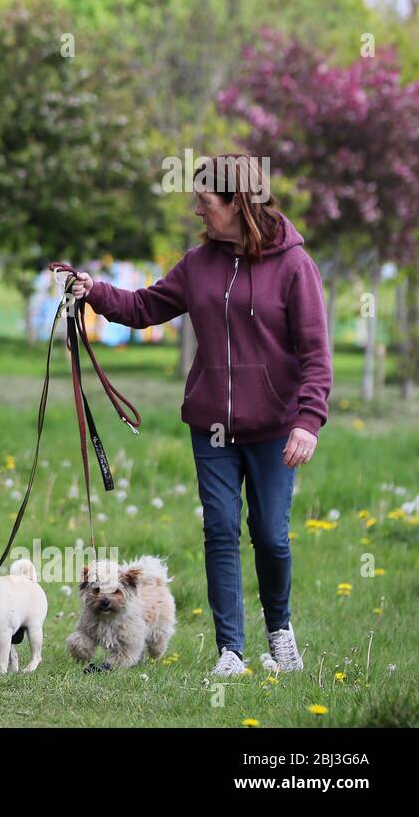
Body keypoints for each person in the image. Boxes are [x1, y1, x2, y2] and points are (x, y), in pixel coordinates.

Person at [71, 154, 331, 676]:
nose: (197, 211)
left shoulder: (294, 266)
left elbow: (316, 353)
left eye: (205, 202)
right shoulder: (199, 263)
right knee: (219, 530)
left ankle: (279, 631)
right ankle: (231, 650)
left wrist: (308, 419)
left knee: (271, 536)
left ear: (238, 203)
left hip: (276, 427)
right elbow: (146, 307)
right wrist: (92, 290)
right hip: (211, 425)